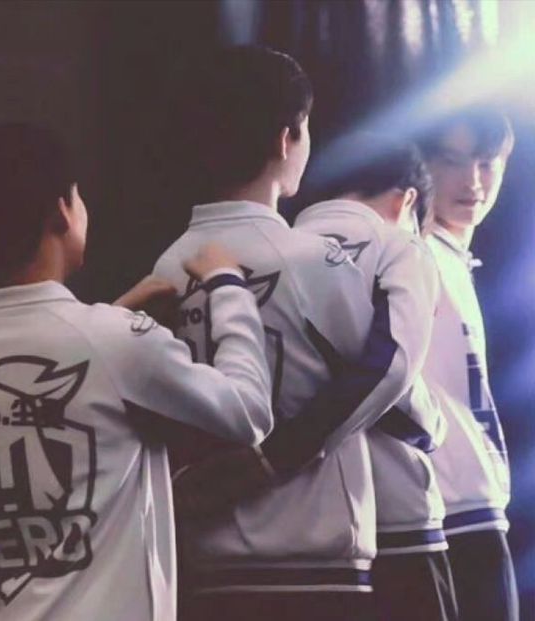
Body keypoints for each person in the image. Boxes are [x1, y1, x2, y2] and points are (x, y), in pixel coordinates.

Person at [0, 123, 273, 621]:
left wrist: (117, 317)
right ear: (62, 211)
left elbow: (51, 382)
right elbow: (247, 412)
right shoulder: (113, 340)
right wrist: (228, 286)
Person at [153, 46, 418, 621]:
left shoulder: (165, 268)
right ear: (285, 138)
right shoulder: (317, 260)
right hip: (313, 564)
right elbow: (394, 392)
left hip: (203, 569)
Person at [293, 134, 456, 621]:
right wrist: (434, 426)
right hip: (400, 512)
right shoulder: (401, 246)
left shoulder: (275, 249)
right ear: (407, 201)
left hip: (305, 527)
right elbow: (396, 374)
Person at [418, 107, 519, 621]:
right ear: (423, 166)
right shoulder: (415, 258)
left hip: (472, 507)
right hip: (442, 511)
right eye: (452, 162)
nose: (473, 181)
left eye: (485, 162)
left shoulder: (451, 258)